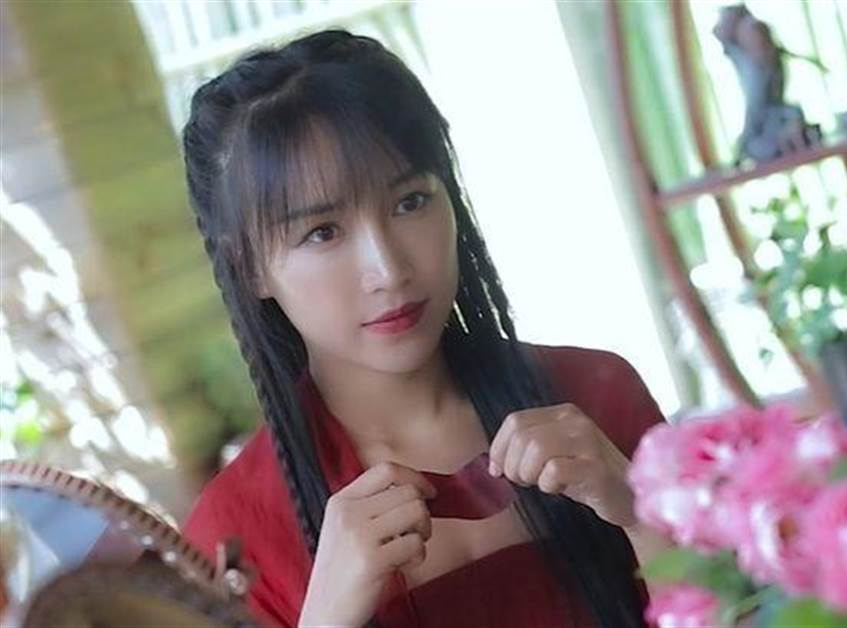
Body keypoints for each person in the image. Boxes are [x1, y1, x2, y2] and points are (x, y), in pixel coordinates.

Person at [179, 28, 670, 628]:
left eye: (410, 201)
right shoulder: (233, 534)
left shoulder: (595, 394)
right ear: (248, 267)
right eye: (322, 232)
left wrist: (643, 517)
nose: (388, 270)